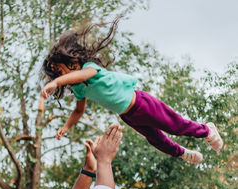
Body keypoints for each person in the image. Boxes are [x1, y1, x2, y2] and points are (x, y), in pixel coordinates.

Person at [41, 18, 223, 164]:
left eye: (60, 70)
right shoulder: (79, 88)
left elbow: (81, 75)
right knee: (155, 139)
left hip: (141, 103)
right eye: (57, 74)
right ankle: (182, 153)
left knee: (174, 125)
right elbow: (79, 111)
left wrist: (55, 82)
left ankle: (206, 130)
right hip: (128, 115)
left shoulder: (89, 69)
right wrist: (66, 127)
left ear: (70, 61)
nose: (60, 75)